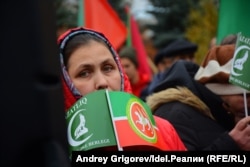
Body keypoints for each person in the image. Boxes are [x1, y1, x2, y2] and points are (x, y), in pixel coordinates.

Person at [57, 27, 186, 151]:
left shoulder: (162, 131)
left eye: (108, 68)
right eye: (84, 73)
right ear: (65, 82)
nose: (102, 82)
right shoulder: (52, 146)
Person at [146, 44, 250, 150]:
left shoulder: (226, 114)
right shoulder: (176, 115)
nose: (248, 102)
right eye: (245, 95)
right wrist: (231, 145)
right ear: (221, 92)